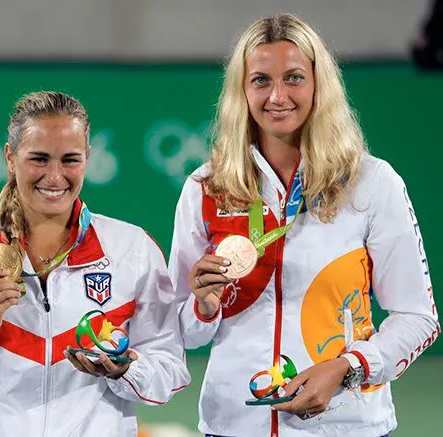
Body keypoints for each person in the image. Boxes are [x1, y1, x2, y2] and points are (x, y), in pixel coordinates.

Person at [169, 13, 439, 437]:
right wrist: (203, 307)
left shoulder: (371, 182)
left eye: (294, 77)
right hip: (235, 424)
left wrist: (348, 368)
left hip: (346, 423)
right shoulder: (206, 187)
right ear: (241, 89)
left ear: (318, 85)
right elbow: (182, 331)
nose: (278, 95)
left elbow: (417, 317)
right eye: (260, 80)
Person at [0, 91, 190, 436]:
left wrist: (124, 370)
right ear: (9, 157)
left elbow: (170, 371)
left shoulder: (133, 250)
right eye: (39, 159)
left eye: (70, 160)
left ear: (87, 159)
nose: (55, 176)